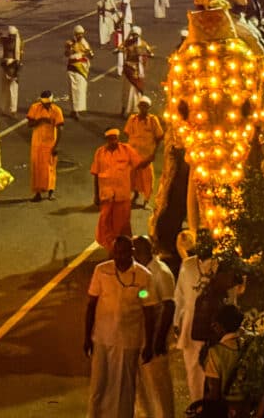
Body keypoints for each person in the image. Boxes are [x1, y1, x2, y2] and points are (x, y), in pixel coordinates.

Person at [84, 235, 156, 418]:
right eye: (116, 253)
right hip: (102, 338)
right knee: (99, 386)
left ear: (132, 252)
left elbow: (149, 310)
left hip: (128, 340)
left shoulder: (143, 276)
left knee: (124, 389)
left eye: (123, 252)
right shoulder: (101, 271)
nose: (119, 257)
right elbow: (91, 304)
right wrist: (87, 337)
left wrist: (149, 344)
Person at [132, 236, 175, 418]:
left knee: (158, 383)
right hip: (142, 335)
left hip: (155, 336)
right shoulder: (140, 271)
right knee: (142, 384)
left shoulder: (160, 272)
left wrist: (156, 341)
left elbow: (168, 306)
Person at [174, 229, 217, 404]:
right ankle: (196, 405)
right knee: (193, 370)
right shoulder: (188, 264)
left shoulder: (220, 266)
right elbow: (180, 296)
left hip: (213, 326)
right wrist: (177, 322)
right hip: (191, 326)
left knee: (214, 372)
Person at [91, 129, 142, 250]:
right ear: (106, 140)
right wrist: (96, 195)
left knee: (122, 225)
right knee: (105, 223)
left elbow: (138, 164)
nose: (113, 141)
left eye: (115, 138)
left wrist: (150, 157)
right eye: (110, 139)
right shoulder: (100, 152)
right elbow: (95, 174)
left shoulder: (126, 150)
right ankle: (111, 247)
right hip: (106, 195)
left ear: (118, 138)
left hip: (122, 195)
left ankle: (124, 247)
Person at [202, 304, 249, 414]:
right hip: (249, 407)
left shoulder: (215, 352)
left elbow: (214, 393)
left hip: (227, 410)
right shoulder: (251, 346)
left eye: (214, 325)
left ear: (220, 327)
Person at [122, 95, 163, 209]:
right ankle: (134, 195)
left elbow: (159, 137)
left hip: (146, 155)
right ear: (139, 107)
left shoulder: (153, 120)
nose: (143, 109)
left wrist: (153, 154)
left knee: (148, 178)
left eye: (146, 107)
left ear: (149, 108)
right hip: (133, 154)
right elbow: (127, 133)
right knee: (132, 177)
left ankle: (146, 200)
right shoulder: (132, 119)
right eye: (142, 106)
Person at [26, 90, 63, 202]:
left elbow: (60, 129)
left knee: (50, 168)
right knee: (36, 168)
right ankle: (37, 193)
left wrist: (56, 146)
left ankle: (51, 192)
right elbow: (29, 124)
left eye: (48, 104)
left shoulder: (57, 110)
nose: (46, 105)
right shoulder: (35, 108)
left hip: (50, 143)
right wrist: (40, 120)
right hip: (37, 143)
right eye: (44, 104)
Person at [119, 28, 154, 118]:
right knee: (126, 91)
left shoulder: (143, 44)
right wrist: (121, 50)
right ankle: (124, 110)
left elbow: (150, 53)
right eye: (133, 34)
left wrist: (145, 55)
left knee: (136, 91)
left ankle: (136, 111)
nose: (134, 36)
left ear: (139, 35)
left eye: (136, 35)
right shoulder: (127, 43)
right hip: (128, 70)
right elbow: (119, 48)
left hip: (137, 71)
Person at [0, 26, 23, 117]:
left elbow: (19, 58)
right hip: (4, 65)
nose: (12, 37)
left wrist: (15, 67)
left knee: (13, 89)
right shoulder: (5, 40)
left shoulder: (19, 44)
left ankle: (13, 109)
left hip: (13, 67)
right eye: (10, 35)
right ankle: (4, 108)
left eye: (13, 35)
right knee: (3, 88)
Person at [65, 25, 95, 120]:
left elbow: (91, 55)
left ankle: (79, 108)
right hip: (73, 68)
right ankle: (74, 110)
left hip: (82, 69)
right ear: (75, 34)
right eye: (78, 34)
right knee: (73, 90)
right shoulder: (70, 43)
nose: (80, 36)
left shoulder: (85, 43)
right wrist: (70, 48)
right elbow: (66, 54)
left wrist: (88, 53)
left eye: (81, 34)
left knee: (81, 90)